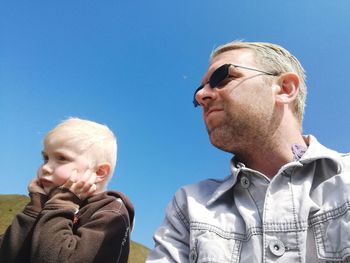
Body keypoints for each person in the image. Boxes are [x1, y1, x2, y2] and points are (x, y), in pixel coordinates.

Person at [146, 41, 350, 262]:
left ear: (284, 88)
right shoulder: (188, 206)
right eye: (199, 90)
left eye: (222, 78)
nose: (201, 96)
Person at [0, 117, 134, 263]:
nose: (45, 168)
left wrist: (62, 203)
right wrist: (34, 208)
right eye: (45, 158)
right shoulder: (46, 205)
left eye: (62, 158)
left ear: (99, 172)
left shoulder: (110, 214)